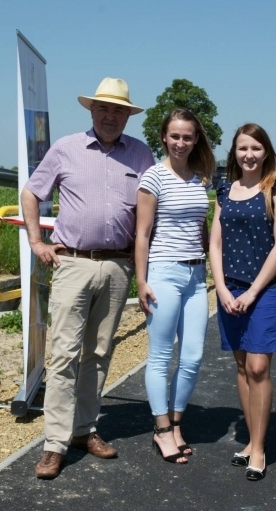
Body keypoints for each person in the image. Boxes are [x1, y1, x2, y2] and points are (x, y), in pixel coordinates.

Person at [21, 77, 154, 480]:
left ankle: (84, 430)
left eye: (118, 111)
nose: (110, 116)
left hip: (117, 267)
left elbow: (153, 210)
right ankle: (54, 444)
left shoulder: (142, 155)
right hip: (72, 263)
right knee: (63, 355)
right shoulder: (66, 148)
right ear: (91, 111)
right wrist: (35, 241)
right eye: (103, 109)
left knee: (98, 354)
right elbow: (31, 194)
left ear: (128, 116)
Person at [209, 124, 276, 481]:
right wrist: (223, 289)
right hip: (231, 291)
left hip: (267, 290)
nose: (249, 154)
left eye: (256, 148)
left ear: (266, 151)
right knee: (242, 367)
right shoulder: (224, 189)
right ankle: (250, 439)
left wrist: (253, 291)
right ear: (235, 152)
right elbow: (215, 243)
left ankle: (258, 447)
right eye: (243, 148)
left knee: (259, 367)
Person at [134, 108, 216, 465]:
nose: (180, 142)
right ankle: (162, 429)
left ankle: (177, 422)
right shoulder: (153, 178)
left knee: (194, 355)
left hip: (197, 276)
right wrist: (141, 280)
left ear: (195, 139)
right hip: (163, 273)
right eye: (174, 136)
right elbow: (142, 234)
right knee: (162, 355)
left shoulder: (201, 179)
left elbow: (203, 227)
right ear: (163, 138)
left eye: (187, 137)